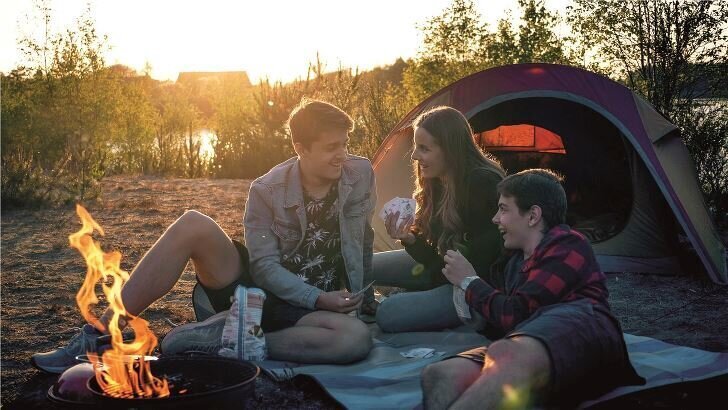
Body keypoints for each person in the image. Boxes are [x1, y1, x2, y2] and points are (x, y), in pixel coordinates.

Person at [31, 98, 375, 373]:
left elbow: (364, 239)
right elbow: (266, 268)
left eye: (345, 144)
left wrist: (366, 299)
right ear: (301, 148)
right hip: (259, 292)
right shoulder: (267, 190)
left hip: (310, 308)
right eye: (332, 147)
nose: (342, 155)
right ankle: (100, 334)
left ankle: (227, 336)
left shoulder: (359, 174)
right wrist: (317, 297)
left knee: (355, 340)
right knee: (193, 222)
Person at [420, 169, 644, 409]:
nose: (495, 219)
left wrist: (469, 282)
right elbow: (504, 321)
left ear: (533, 216)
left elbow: (514, 314)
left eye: (504, 209)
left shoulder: (568, 244)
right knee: (439, 373)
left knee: (506, 353)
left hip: (583, 325)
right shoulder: (513, 262)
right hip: (529, 341)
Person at [375, 106, 505, 332]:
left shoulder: (481, 185)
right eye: (416, 146)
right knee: (363, 264)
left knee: (388, 313)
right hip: (441, 268)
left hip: (473, 285)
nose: (415, 155)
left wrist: (426, 289)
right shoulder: (436, 182)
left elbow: (473, 266)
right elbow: (434, 258)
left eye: (424, 148)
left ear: (450, 150)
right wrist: (409, 239)